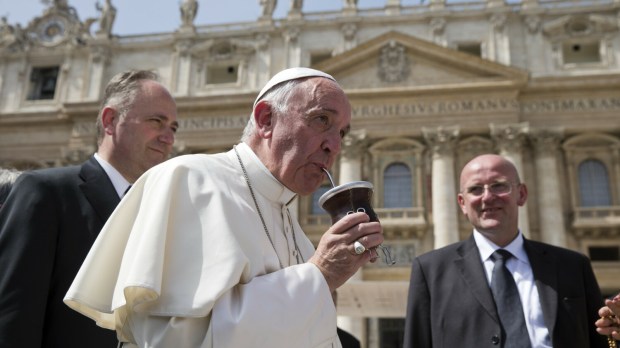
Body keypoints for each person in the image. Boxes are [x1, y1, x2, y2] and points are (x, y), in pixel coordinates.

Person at [64, 67, 383, 347]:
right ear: (266, 119)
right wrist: (319, 276)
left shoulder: (294, 229)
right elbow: (171, 340)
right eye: (321, 120)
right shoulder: (189, 181)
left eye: (341, 132)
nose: (335, 145)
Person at [0, 70, 178, 348]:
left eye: (174, 128)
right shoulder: (44, 192)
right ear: (110, 120)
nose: (169, 138)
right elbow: (12, 315)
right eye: (157, 121)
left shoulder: (159, 213)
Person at [403, 154, 608, 348]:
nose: (488, 197)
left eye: (498, 186)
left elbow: (602, 342)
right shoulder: (430, 271)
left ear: (521, 194)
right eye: (475, 189)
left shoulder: (572, 266)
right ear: (462, 203)